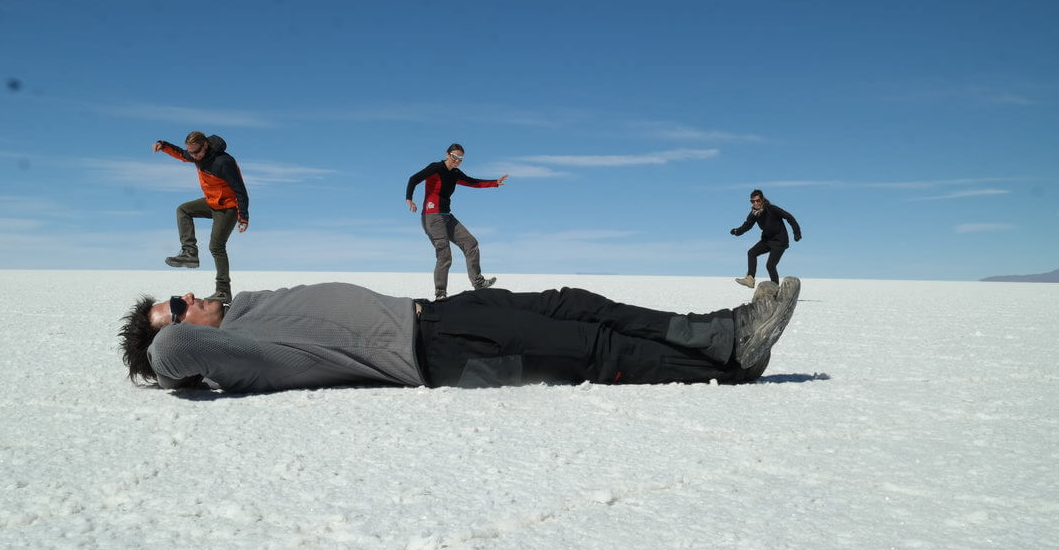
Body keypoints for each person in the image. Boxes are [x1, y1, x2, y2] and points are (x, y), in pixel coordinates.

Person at [117, 278, 800, 393]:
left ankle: (722, 333)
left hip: (440, 313)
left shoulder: (245, 309)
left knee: (576, 303)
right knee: (594, 352)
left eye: (175, 295)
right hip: (440, 357)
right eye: (175, 305)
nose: (188, 297)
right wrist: (156, 351)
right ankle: (735, 367)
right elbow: (170, 352)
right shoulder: (246, 358)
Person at [153, 131, 249, 302]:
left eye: (196, 152)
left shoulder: (223, 162)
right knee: (183, 209)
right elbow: (181, 154)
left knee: (216, 246)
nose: (194, 156)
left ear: (205, 145)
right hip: (211, 202)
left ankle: (223, 291)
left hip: (228, 207)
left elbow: (240, 189)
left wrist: (243, 216)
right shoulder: (196, 155)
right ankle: (190, 252)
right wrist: (164, 145)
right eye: (191, 152)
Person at [405, 143, 508, 299]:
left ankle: (478, 283)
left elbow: (473, 182)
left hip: (447, 216)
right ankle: (440, 294)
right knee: (445, 255)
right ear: (447, 154)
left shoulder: (455, 173)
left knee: (471, 243)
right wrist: (409, 199)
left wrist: (494, 183)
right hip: (432, 217)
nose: (457, 160)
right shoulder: (436, 168)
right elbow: (414, 179)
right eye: (455, 157)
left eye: (461, 158)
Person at [729, 189, 801, 288]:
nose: (755, 203)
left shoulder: (772, 209)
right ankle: (750, 279)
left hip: (780, 241)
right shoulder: (754, 213)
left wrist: (796, 233)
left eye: (757, 200)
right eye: (753, 201)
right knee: (751, 253)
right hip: (767, 240)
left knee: (770, 266)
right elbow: (747, 225)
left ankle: (776, 289)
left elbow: (789, 217)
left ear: (762, 200)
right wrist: (737, 231)